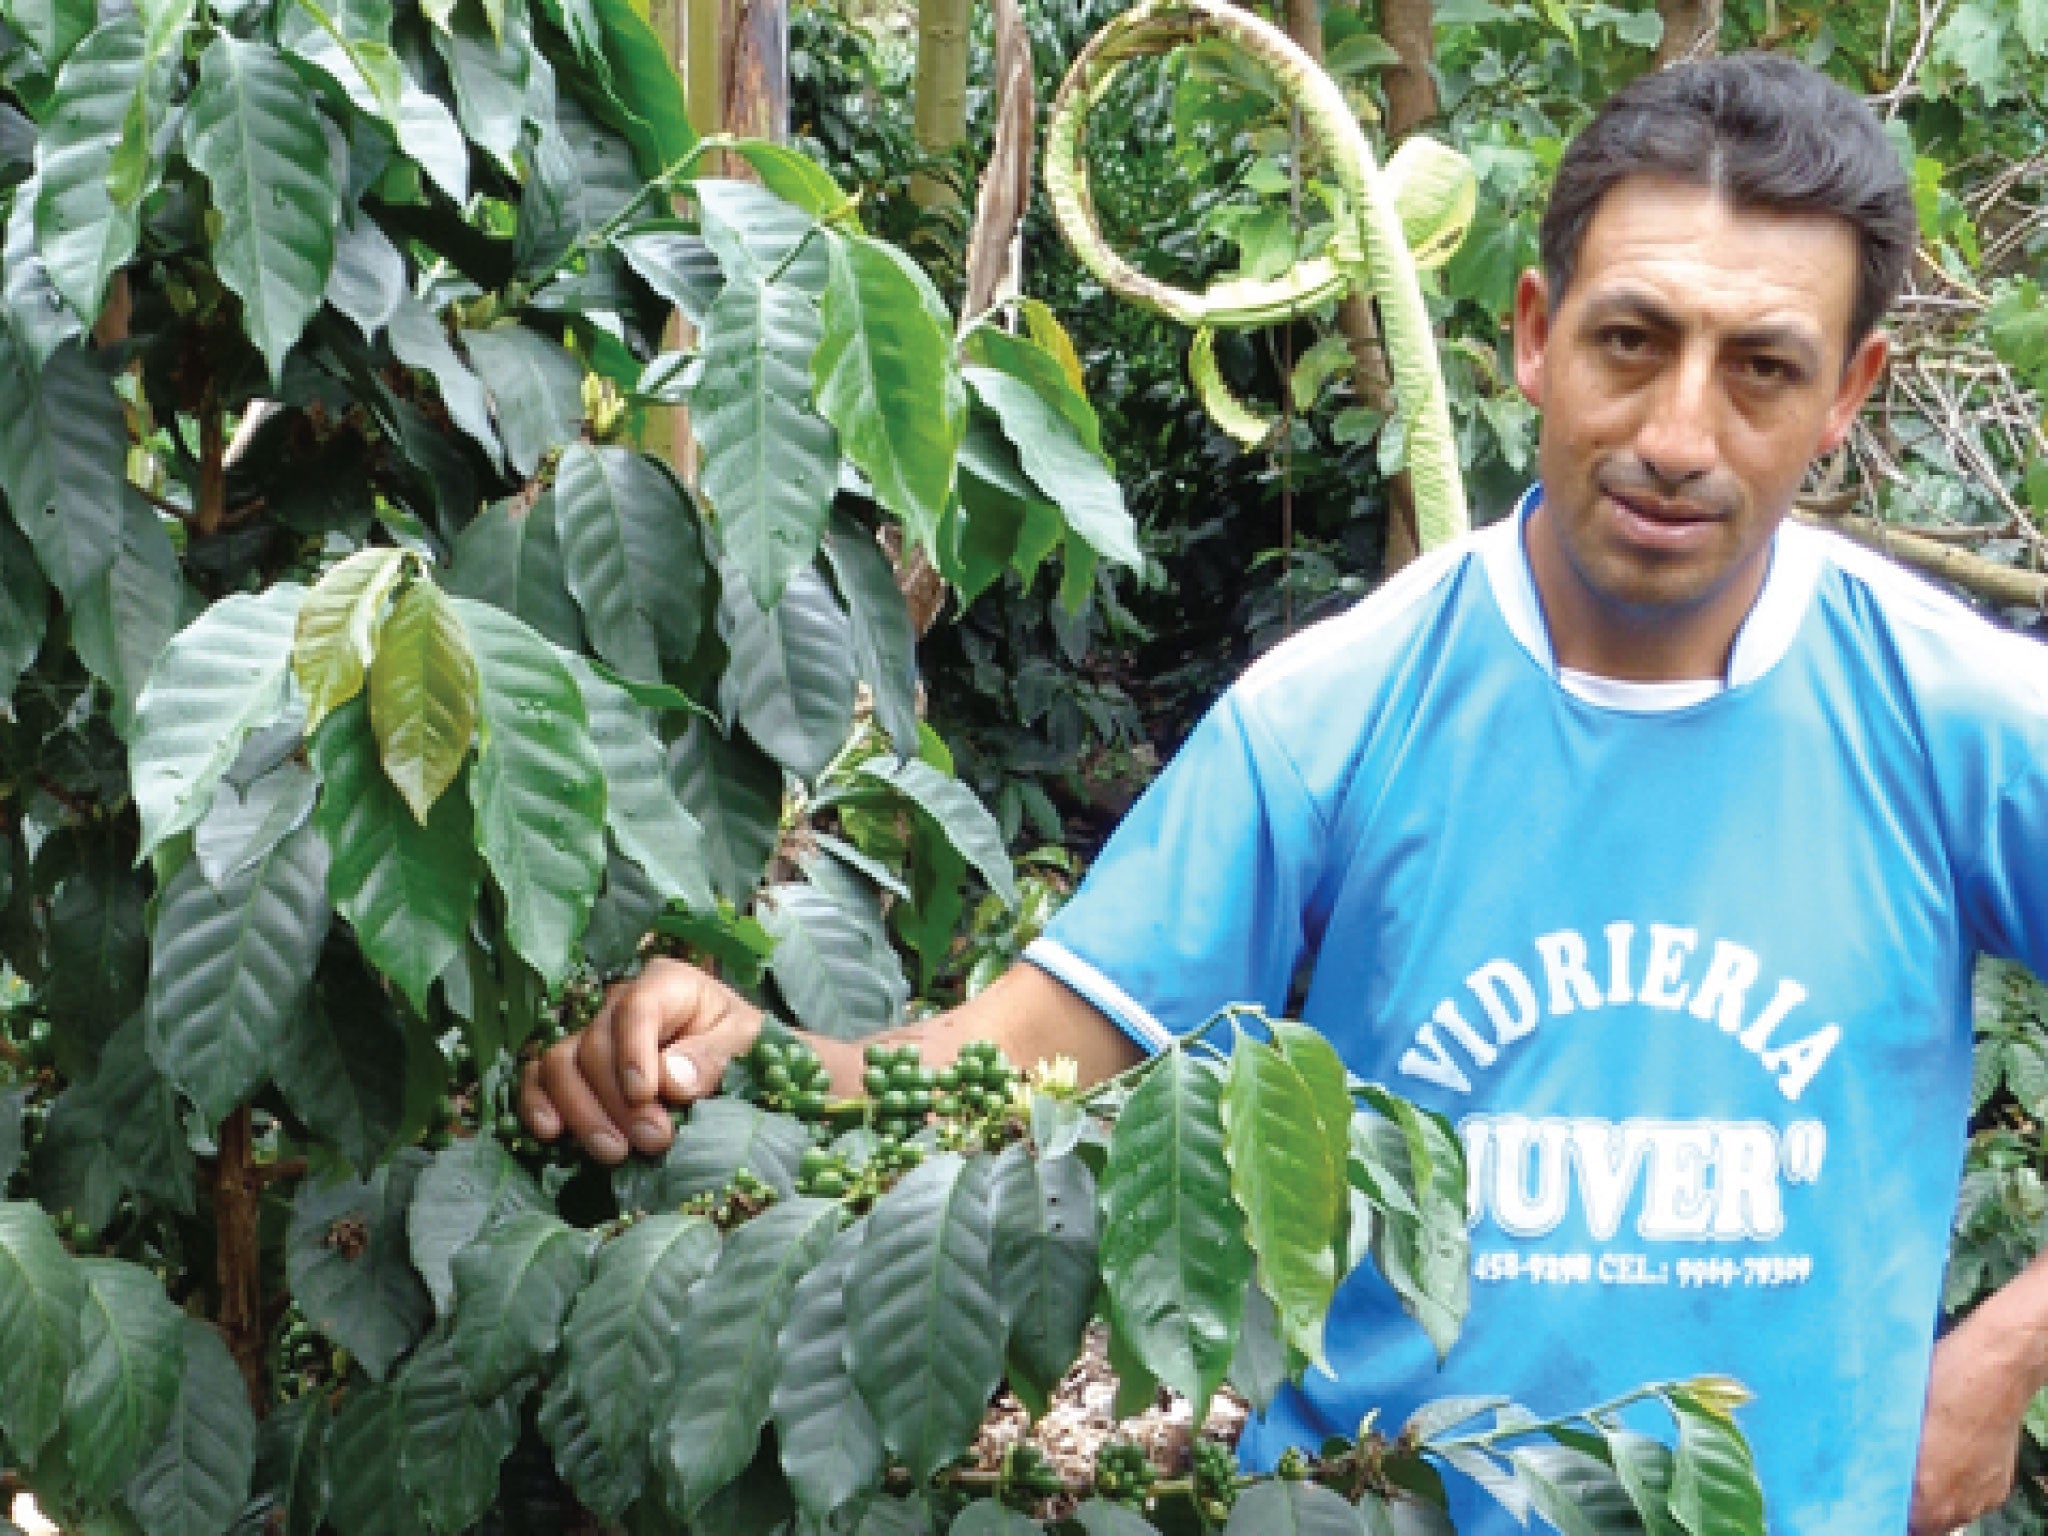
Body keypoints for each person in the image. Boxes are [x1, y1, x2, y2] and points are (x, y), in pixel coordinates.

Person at [521, 53, 2048, 1535]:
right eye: (1631, 342)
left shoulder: (1951, 712)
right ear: (1533, 333)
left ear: (1848, 392)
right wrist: (755, 1059)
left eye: (1761, 369)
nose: (1674, 435)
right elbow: (1027, 1066)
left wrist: (1998, 1360)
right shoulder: (1342, 705)